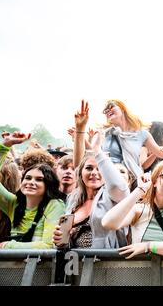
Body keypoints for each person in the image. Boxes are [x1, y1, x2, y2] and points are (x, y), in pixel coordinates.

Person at [53, 103, 130, 249]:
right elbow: (64, 241)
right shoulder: (73, 198)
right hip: (74, 265)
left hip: (103, 266)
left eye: (99, 168)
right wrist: (61, 239)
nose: (94, 172)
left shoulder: (112, 196)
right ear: (80, 174)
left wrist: (97, 151)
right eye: (89, 168)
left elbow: (118, 185)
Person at [102, 161, 163, 258]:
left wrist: (148, 246)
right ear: (154, 182)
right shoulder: (139, 209)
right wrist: (140, 190)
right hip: (140, 271)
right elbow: (107, 223)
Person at [0, 132, 65, 249]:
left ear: (49, 184)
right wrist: (6, 145)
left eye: (39, 179)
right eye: (28, 178)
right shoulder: (14, 203)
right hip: (13, 266)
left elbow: (48, 245)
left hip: (41, 266)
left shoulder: (55, 205)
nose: (31, 182)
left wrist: (7, 245)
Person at [100, 99, 163, 179]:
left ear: (122, 108)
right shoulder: (104, 133)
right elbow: (92, 153)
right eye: (105, 111)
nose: (108, 111)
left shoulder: (141, 134)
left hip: (133, 181)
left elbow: (160, 153)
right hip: (109, 179)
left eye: (111, 106)